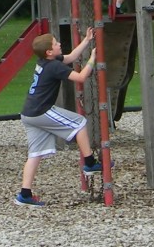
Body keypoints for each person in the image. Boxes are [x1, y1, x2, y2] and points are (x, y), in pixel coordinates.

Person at [16, 27, 102, 206]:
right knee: (79, 122)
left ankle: (24, 194)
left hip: (28, 113)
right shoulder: (54, 66)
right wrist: (93, 59)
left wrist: (86, 41)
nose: (59, 44)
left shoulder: (45, 62)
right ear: (49, 51)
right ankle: (89, 163)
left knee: (35, 153)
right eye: (56, 43)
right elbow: (80, 77)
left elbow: (70, 57)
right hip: (41, 111)